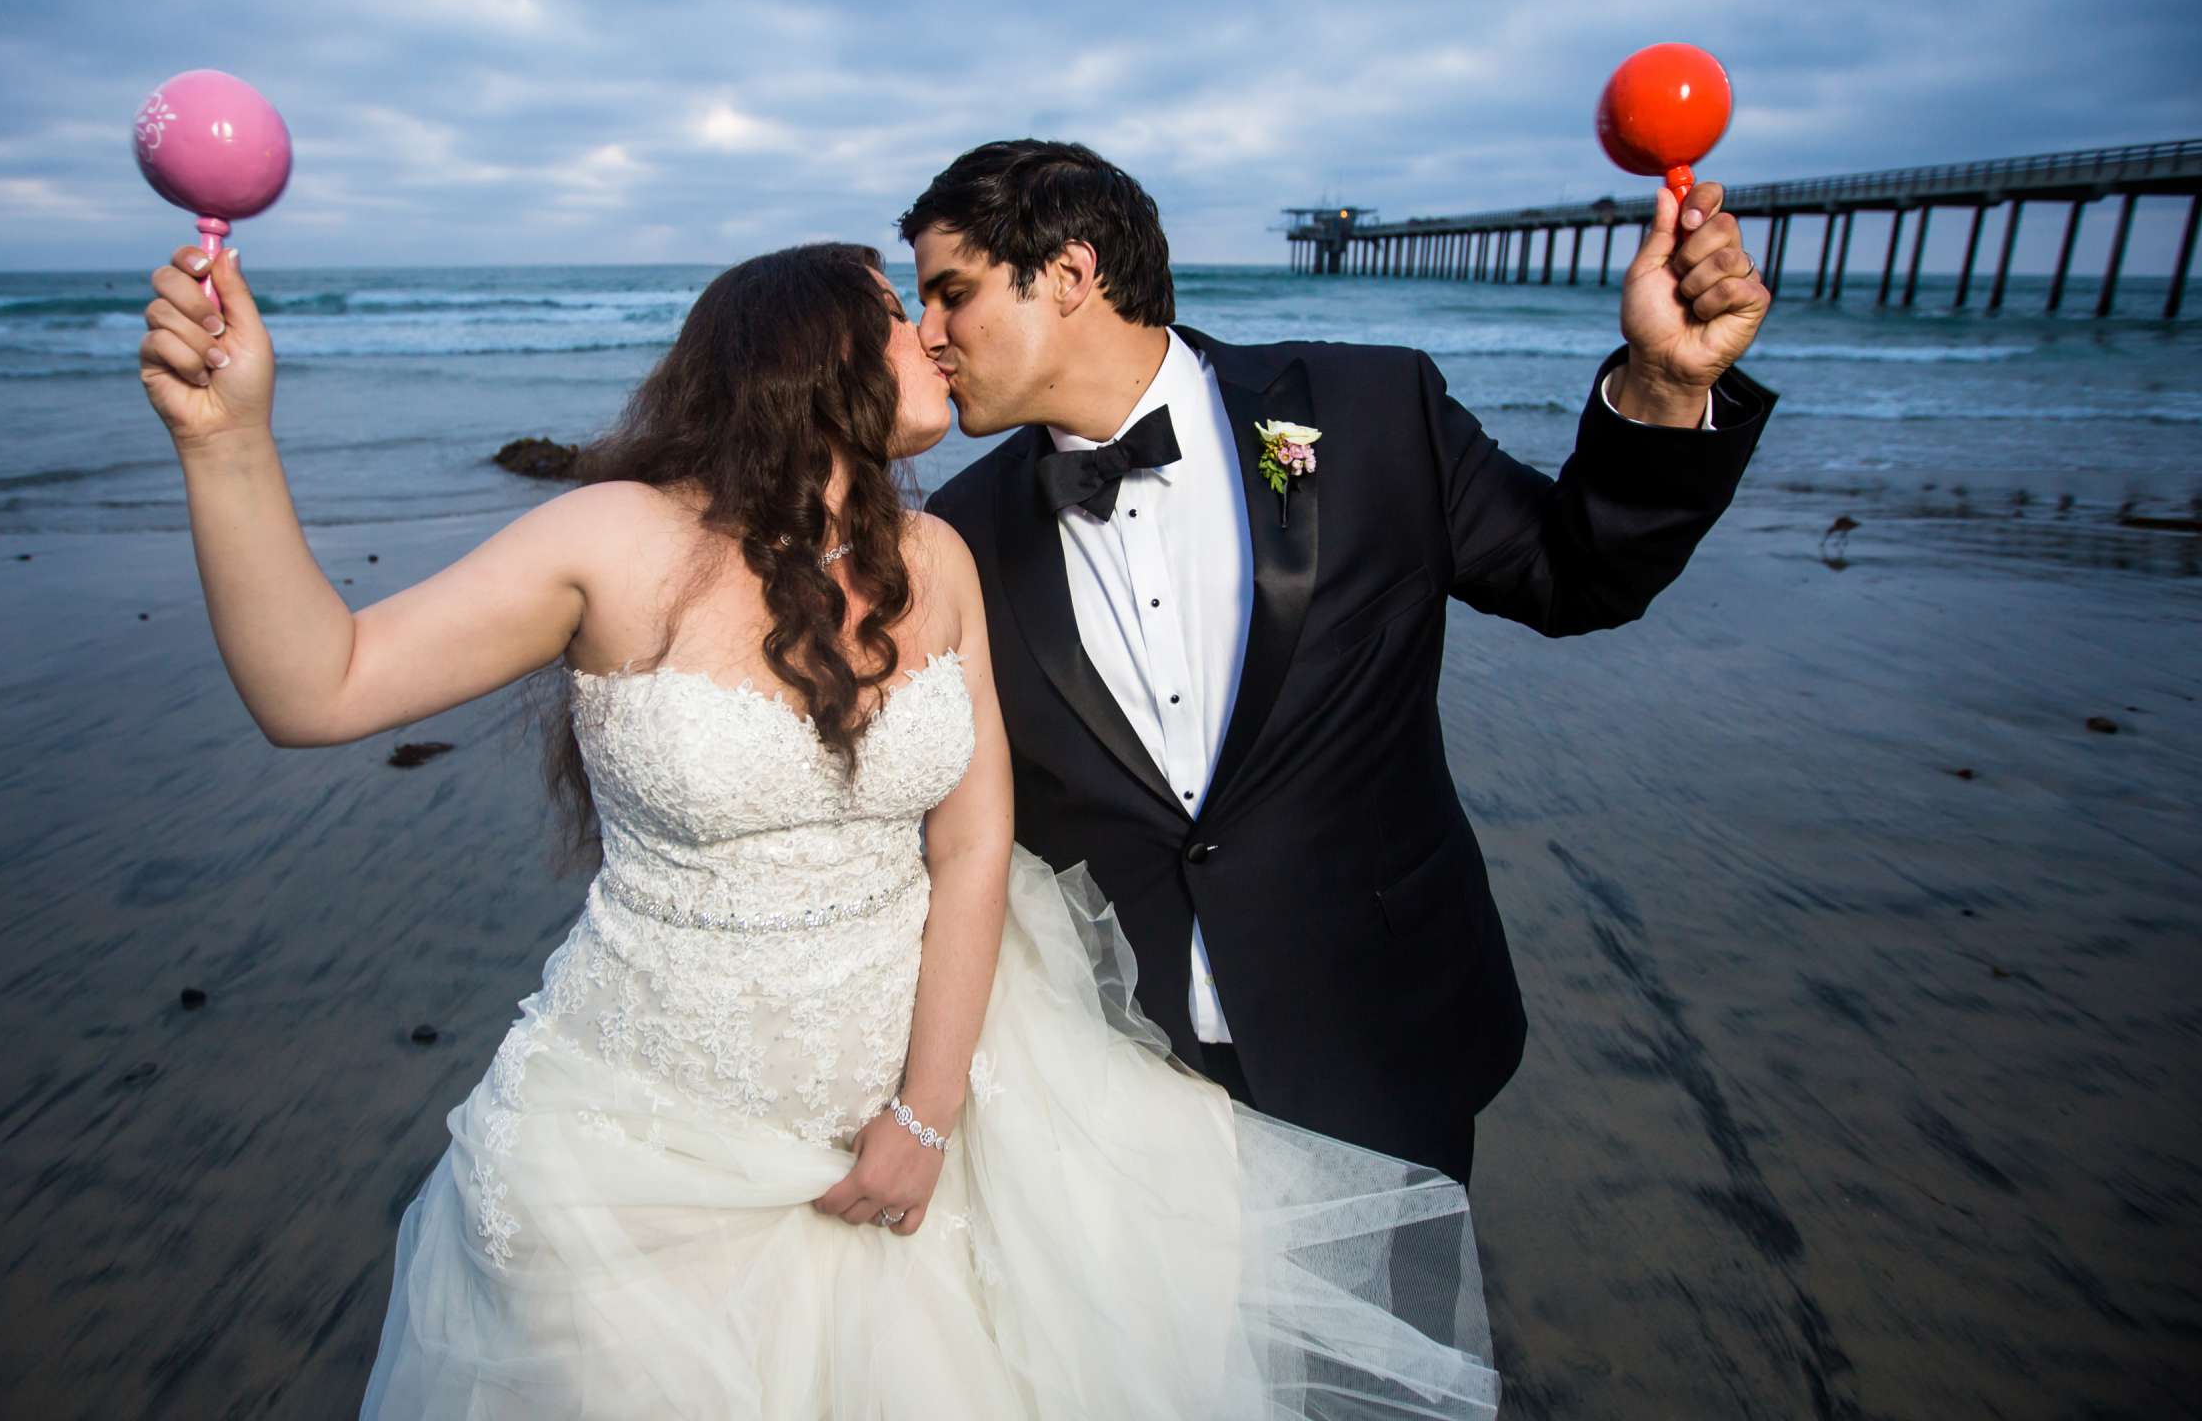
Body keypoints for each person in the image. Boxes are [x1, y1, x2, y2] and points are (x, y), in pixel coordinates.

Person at [137, 240, 1498, 1417]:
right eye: (903, 312)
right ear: (813, 351)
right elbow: (318, 688)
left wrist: (927, 1113)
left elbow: (973, 852)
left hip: (914, 1113)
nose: (938, 333)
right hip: (644, 1139)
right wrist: (227, 444)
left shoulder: (942, 560)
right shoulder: (615, 540)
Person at [912, 141, 1777, 1185]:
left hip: (1378, 1034)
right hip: (1112, 1080)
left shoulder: (1369, 411)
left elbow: (1574, 575)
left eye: (950, 294)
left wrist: (1663, 382)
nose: (929, 335)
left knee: (1394, 1351)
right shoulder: (959, 530)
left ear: (1069, 275)